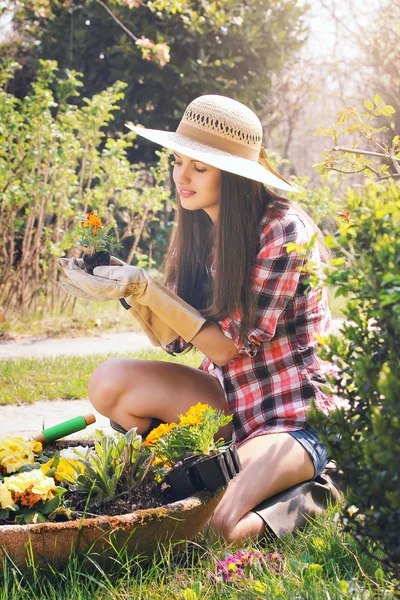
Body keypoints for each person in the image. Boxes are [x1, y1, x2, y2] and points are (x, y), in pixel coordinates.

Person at [59, 94, 341, 544]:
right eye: (177, 161)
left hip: (291, 416)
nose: (181, 177)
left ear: (234, 176)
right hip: (227, 402)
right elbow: (174, 341)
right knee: (108, 382)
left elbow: (227, 346)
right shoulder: (199, 229)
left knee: (220, 529)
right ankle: (210, 463)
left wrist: (147, 288)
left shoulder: (283, 230)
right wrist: (126, 292)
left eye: (200, 168)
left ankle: (322, 491)